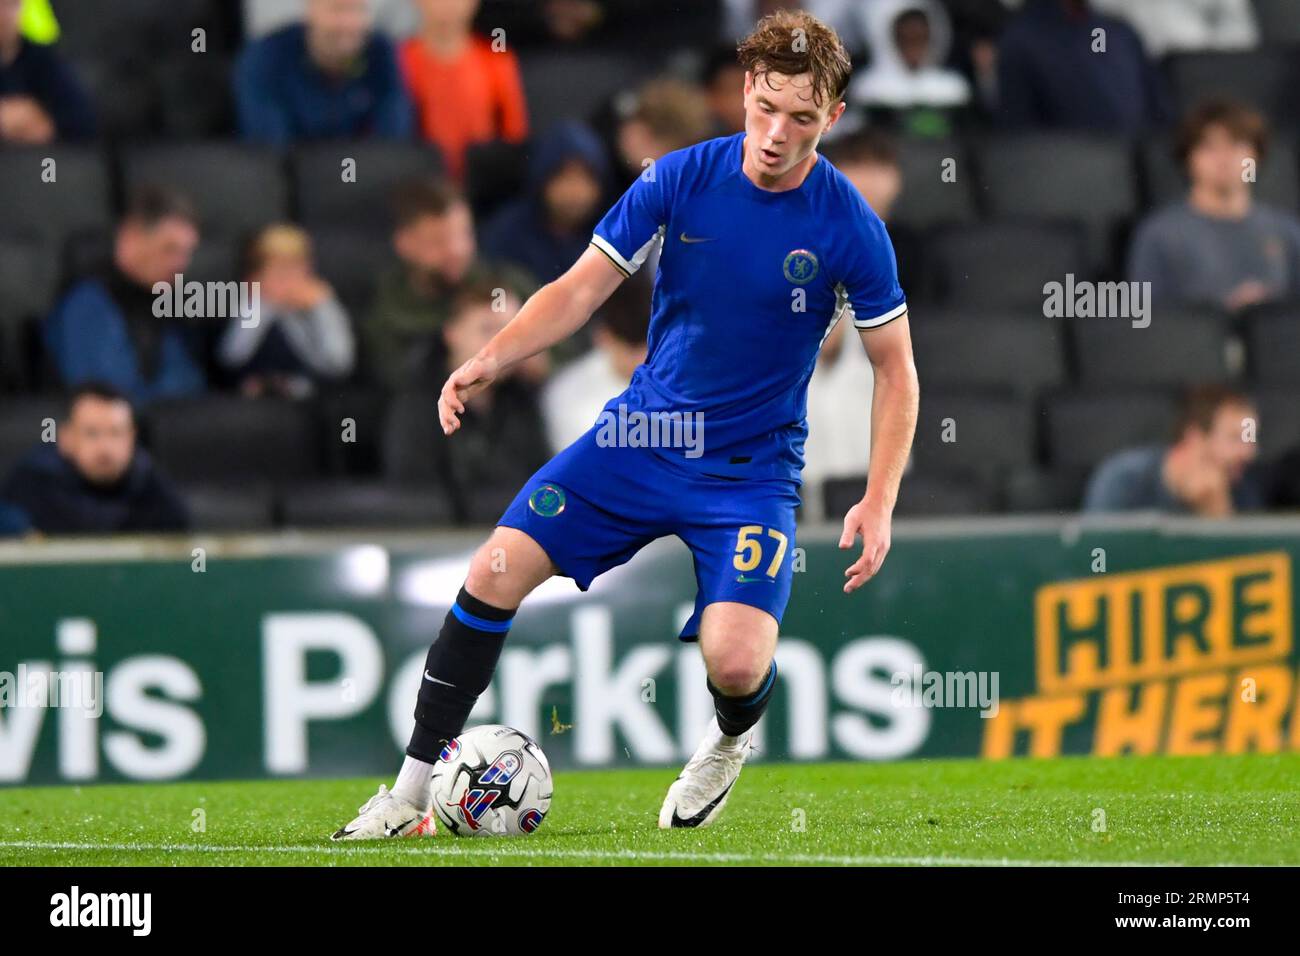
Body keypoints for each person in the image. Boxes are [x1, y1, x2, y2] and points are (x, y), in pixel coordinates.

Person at [332, 10, 917, 839]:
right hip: (640, 439)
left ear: (834, 119)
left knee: (738, 658)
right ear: (746, 90)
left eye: (801, 117)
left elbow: (896, 369)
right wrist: (491, 357)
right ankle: (408, 793)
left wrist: (880, 496)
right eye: (766, 107)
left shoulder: (851, 226)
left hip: (750, 471)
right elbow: (578, 290)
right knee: (494, 569)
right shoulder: (678, 178)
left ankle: (729, 738)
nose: (776, 132)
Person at [387, 280, 551, 524]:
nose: (500, 344)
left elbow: (538, 478)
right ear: (451, 333)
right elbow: (416, 497)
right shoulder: (416, 400)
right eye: (487, 329)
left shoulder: (523, 398)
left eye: (509, 331)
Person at [1128, 99, 1300, 311]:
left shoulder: (1287, 231)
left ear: (1257, 157)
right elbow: (1149, 320)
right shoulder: (1159, 234)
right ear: (1188, 159)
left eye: (1237, 145)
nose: (1224, 159)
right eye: (1209, 147)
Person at [363, 178, 534, 390]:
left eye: (463, 234)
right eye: (438, 241)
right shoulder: (388, 310)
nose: (456, 250)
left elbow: (567, 348)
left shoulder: (507, 284)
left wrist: (535, 361)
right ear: (404, 244)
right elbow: (391, 378)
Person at [44, 186, 207, 405]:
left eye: (187, 253)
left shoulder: (164, 301)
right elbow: (106, 394)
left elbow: (189, 382)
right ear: (130, 238)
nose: (181, 265)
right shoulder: (87, 303)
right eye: (169, 249)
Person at [0, 383, 189, 535]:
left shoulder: (155, 491)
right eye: (92, 433)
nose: (105, 447)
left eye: (116, 433)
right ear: (66, 438)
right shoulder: (32, 486)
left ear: (132, 438)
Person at [233, 0, 412, 143]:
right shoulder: (266, 57)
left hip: (364, 180)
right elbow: (272, 154)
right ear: (311, 10)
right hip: (291, 182)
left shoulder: (380, 52)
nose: (349, 23)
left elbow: (394, 145)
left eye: (358, 9)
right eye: (337, 9)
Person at [217, 225, 356, 398]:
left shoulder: (320, 303)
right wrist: (262, 305)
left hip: (309, 399)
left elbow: (339, 364)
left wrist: (322, 308)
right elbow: (231, 357)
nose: (286, 279)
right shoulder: (255, 302)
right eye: (277, 269)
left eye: (293, 268)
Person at [1083, 385, 1263, 516]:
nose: (1249, 453)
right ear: (1195, 437)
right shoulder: (1124, 479)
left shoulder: (1241, 487)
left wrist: (1218, 514)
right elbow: (1095, 555)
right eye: (1235, 438)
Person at [399, 0, 528, 181]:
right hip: (418, 181)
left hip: (483, 182)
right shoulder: (399, 61)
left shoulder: (497, 59)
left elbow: (514, 135)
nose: (448, 5)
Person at [997, 0, 1167, 132]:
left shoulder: (1118, 32)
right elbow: (1019, 134)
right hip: (1071, 164)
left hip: (1138, 160)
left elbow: (1160, 112)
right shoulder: (1021, 41)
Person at [480, 121, 609, 286]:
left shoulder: (612, 234)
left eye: (587, 179)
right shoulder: (507, 235)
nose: (576, 191)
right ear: (543, 179)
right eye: (565, 178)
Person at [540, 276, 649, 453]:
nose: (643, 357)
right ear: (603, 337)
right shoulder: (568, 396)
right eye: (632, 348)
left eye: (649, 345)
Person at [849, 0, 971, 138]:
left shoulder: (953, 88)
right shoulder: (869, 88)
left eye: (920, 39)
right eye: (906, 39)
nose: (913, 48)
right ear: (892, 40)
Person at [0, 0, 94, 143]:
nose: (3, 15)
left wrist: (47, 125)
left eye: (10, 4)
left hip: (37, 160)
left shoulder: (42, 60)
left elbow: (85, 120)